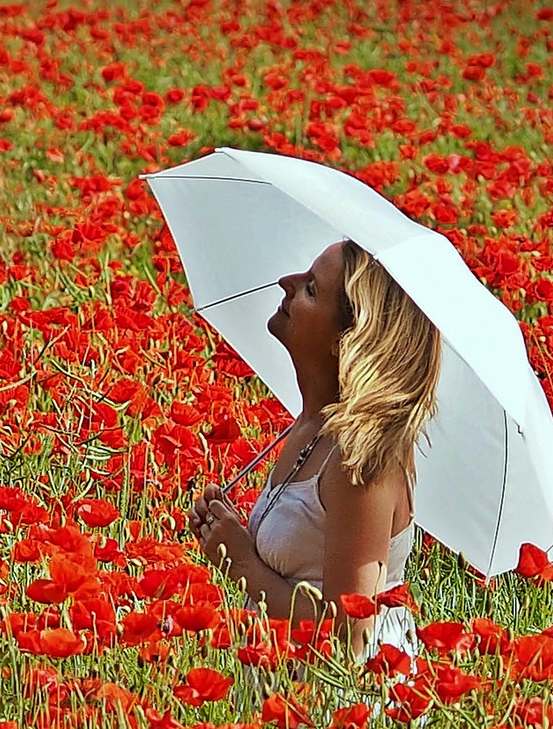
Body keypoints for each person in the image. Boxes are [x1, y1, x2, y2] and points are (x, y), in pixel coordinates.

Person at [189, 237, 442, 679]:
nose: (286, 283)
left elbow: (351, 633)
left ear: (347, 341)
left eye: (310, 289)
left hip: (342, 717)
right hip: (286, 695)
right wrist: (226, 531)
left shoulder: (359, 460)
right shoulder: (309, 426)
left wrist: (242, 561)